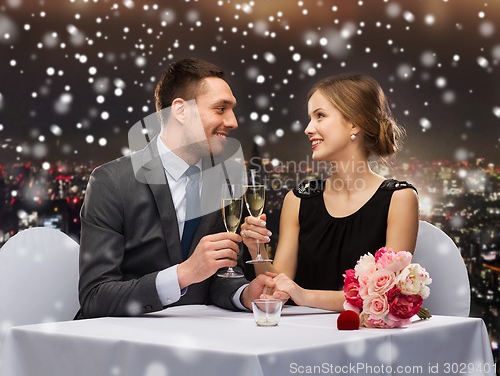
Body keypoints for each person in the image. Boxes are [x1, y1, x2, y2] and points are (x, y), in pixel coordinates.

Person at [78, 58, 272, 318]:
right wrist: (183, 274)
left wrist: (244, 295)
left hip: (201, 341)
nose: (233, 121)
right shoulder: (111, 182)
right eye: (220, 109)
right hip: (125, 343)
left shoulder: (225, 180)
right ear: (180, 111)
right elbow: (95, 297)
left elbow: (223, 274)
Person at [240, 74, 419, 311]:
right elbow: (276, 287)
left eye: (320, 116)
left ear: (355, 123)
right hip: (301, 337)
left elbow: (387, 296)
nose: (307, 129)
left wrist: (304, 295)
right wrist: (257, 249)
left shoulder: (399, 198)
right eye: (310, 118)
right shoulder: (298, 199)